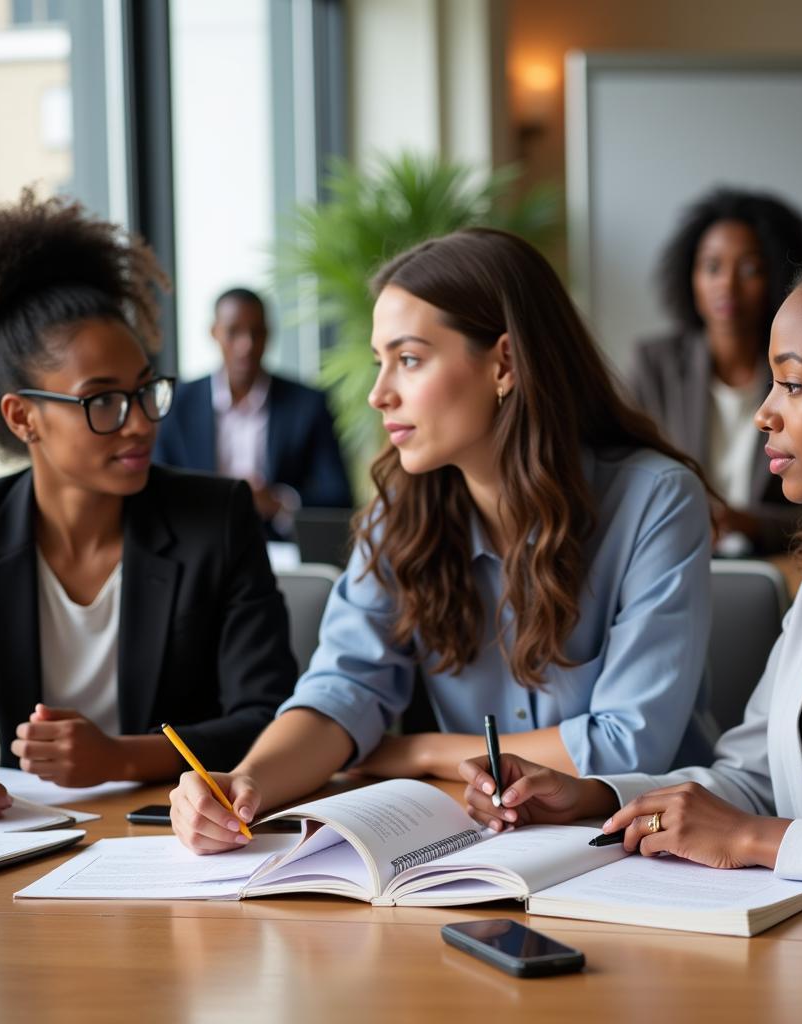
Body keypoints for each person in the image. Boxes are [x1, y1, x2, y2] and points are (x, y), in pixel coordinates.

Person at [463, 230, 802, 1007]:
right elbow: (751, 777)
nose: (763, 414)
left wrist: (757, 841)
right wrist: (595, 795)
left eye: (792, 385)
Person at [170, 227, 716, 853]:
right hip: (496, 848)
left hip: (657, 851)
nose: (379, 393)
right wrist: (244, 782)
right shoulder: (402, 513)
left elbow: (626, 743)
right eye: (381, 361)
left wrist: (422, 749)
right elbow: (343, 691)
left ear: (504, 363)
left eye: (408, 359)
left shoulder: (656, 499)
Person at [0, 190, 298, 788]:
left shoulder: (215, 518)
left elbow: (271, 717)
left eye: (144, 390)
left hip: (172, 834)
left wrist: (122, 757)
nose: (139, 422)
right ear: (22, 418)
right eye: (102, 399)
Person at [630, 188, 802, 555]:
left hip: (778, 565)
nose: (727, 285)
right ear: (691, 277)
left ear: (779, 276)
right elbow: (626, 482)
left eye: (750, 269)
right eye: (712, 267)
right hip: (674, 555)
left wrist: (750, 522)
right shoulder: (654, 366)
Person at [153, 287, 352, 537]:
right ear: (214, 333)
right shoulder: (178, 403)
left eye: (256, 332)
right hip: (195, 543)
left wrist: (279, 502)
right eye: (233, 332)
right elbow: (156, 490)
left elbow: (339, 496)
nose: (246, 345)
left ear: (269, 335)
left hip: (279, 549)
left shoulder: (307, 404)